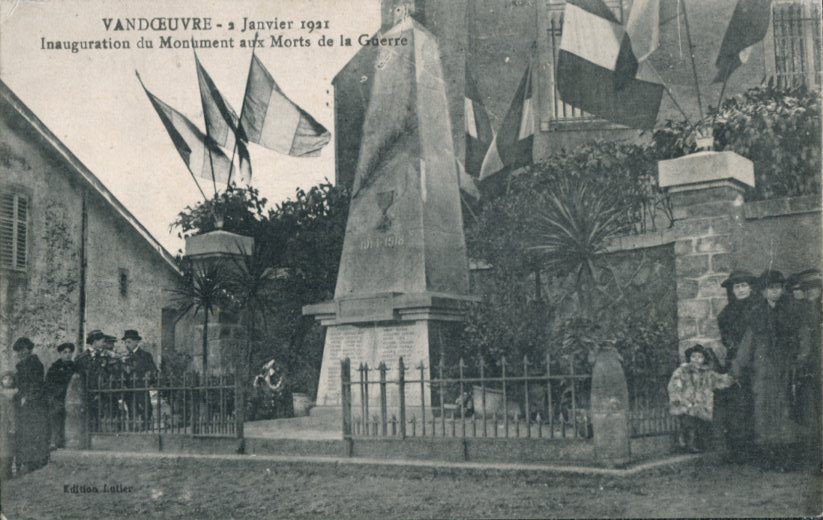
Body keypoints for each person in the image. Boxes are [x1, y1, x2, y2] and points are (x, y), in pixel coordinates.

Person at [730, 270, 800, 469]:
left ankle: (785, 459)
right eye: (770, 288)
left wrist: (798, 361)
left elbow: (799, 339)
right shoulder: (757, 315)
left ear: (782, 289)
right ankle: (768, 458)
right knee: (762, 412)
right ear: (762, 292)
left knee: (784, 411)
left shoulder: (790, 311)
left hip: (784, 370)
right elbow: (747, 346)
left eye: (777, 288)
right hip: (761, 373)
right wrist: (736, 369)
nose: (774, 292)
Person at [715, 269, 759, 459]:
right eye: (736, 286)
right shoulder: (726, 313)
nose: (740, 290)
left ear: (750, 287)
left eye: (743, 286)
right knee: (737, 404)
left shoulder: (759, 308)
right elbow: (726, 337)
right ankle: (739, 449)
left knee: (756, 402)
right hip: (736, 362)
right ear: (732, 290)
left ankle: (759, 448)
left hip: (757, 361)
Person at [668, 344, 735, 453]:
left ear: (704, 359)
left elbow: (719, 380)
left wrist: (732, 377)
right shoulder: (682, 371)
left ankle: (700, 445)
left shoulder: (708, 373)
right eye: (693, 357)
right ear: (689, 358)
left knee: (702, 424)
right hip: (687, 402)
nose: (696, 360)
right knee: (689, 424)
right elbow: (674, 385)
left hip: (702, 403)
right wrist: (677, 398)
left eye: (699, 357)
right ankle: (689, 444)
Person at [12, 337, 49, 474]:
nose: (21, 353)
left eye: (23, 349)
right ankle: (26, 462)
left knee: (33, 432)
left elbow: (36, 384)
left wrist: (26, 397)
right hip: (25, 403)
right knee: (25, 433)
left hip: (34, 404)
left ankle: (34, 462)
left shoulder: (34, 364)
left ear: (29, 349)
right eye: (19, 351)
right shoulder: (22, 365)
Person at [122, 330, 157, 428]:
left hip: (141, 388)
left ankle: (145, 428)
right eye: (125, 342)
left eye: (129, 342)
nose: (126, 344)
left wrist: (148, 381)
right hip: (130, 389)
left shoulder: (145, 355)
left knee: (145, 410)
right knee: (132, 411)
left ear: (136, 342)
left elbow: (153, 370)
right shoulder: (124, 357)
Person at [45, 342, 75, 449]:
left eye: (70, 352)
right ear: (60, 354)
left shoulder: (74, 367)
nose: (68, 355)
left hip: (72, 398)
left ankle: (70, 441)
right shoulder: (54, 368)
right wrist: (56, 395)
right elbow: (49, 384)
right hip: (58, 398)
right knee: (56, 415)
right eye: (65, 352)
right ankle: (55, 441)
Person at [0, 371, 17, 480]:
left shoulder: (15, 394)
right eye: (5, 379)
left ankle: (7, 473)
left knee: (7, 450)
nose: (8, 381)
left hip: (7, 426)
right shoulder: (1, 395)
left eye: (10, 379)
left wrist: (13, 427)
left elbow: (12, 414)